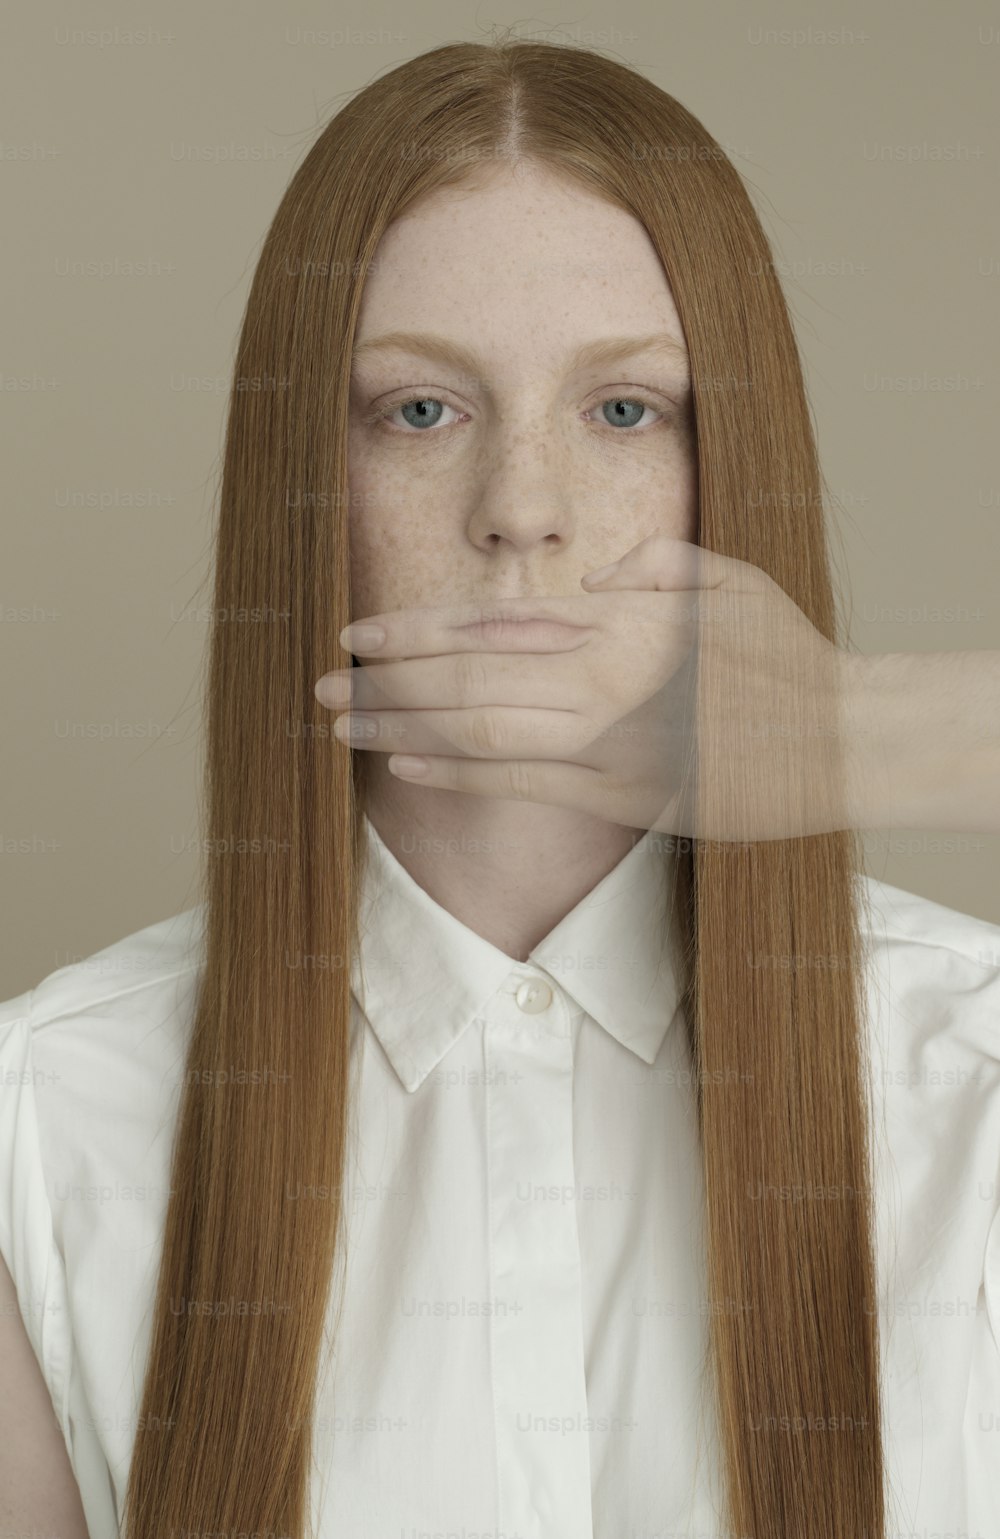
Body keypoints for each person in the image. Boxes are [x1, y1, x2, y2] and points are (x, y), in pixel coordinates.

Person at [2, 37, 999, 1539]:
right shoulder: (44, 1128)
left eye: (623, 412)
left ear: (734, 458)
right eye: (419, 411)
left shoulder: (978, 1088)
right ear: (305, 481)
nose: (521, 514)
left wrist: (856, 736)